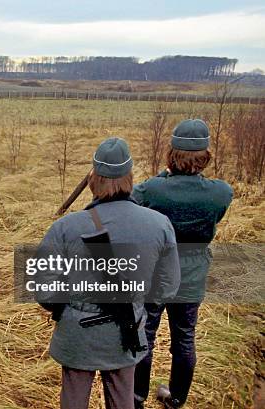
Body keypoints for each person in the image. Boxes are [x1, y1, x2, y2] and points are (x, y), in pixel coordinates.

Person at [35, 137, 181, 409]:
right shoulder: (159, 225)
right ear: (129, 178)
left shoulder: (65, 227)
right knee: (122, 399)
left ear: (93, 179)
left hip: (78, 333)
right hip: (127, 329)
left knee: (74, 400)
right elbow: (168, 287)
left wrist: (68, 307)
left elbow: (42, 288)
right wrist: (138, 303)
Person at [133, 119, 233, 408]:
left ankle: (137, 397)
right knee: (185, 338)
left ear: (171, 155)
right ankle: (176, 399)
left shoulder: (152, 189)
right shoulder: (220, 192)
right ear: (205, 156)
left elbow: (134, 200)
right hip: (192, 274)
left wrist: (165, 178)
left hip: (155, 273)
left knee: (145, 335)